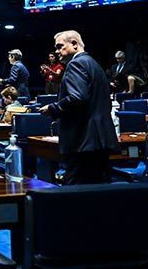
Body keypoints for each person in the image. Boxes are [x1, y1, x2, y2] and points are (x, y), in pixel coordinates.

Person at [38, 30, 119, 185]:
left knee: (77, 197)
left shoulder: (76, 64)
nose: (56, 51)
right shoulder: (93, 64)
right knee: (97, 193)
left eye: (60, 46)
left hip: (83, 142)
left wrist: (53, 108)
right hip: (99, 140)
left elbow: (77, 97)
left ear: (74, 44)